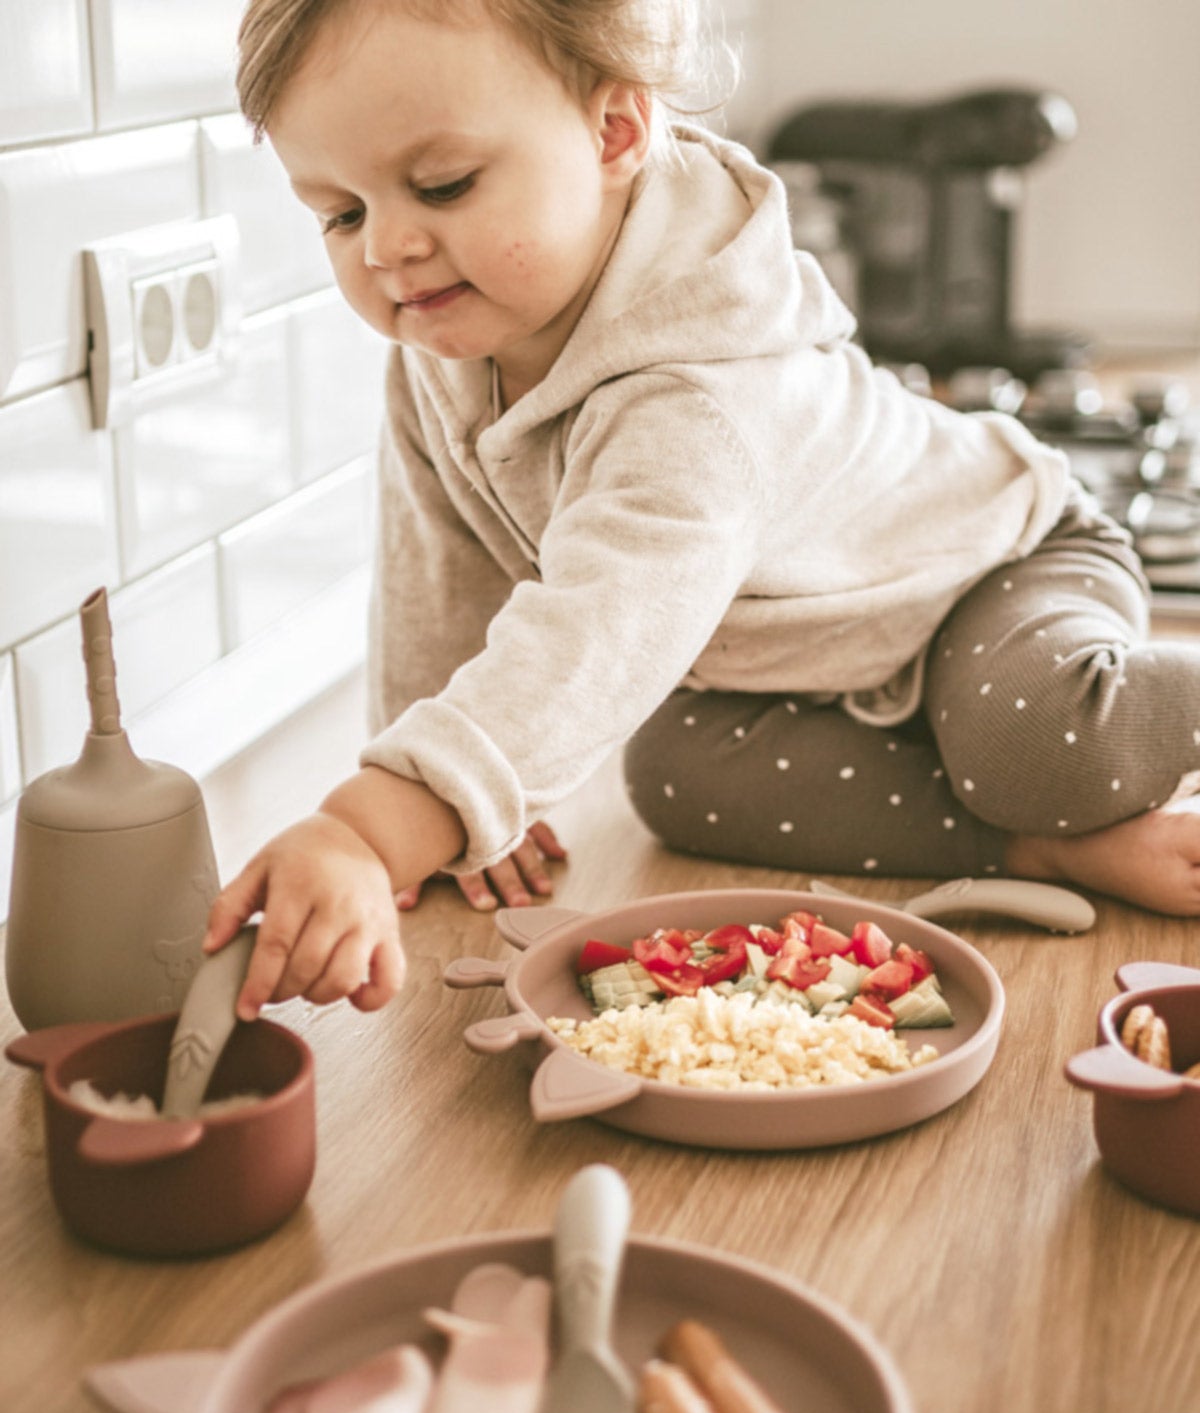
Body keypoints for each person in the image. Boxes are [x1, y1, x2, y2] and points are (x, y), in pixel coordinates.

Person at [210, 0, 1200, 1020]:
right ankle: (1040, 848)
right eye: (341, 213)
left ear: (614, 132)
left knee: (1034, 751)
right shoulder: (443, 351)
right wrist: (446, 792)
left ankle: (1048, 794)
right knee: (674, 775)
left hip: (995, 564)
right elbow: (440, 569)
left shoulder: (696, 397)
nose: (387, 247)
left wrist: (375, 828)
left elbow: (599, 629)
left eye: (444, 185)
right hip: (805, 646)